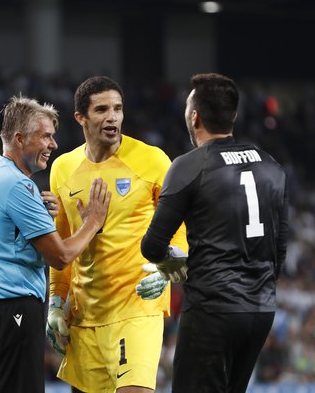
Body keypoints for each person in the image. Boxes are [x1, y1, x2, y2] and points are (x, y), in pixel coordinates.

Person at [141, 73, 289, 393]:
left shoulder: (189, 165)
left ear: (194, 117)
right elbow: (279, 253)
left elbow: (152, 245)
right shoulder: (272, 166)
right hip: (260, 310)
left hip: (213, 309)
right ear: (233, 116)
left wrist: (175, 266)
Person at [46, 76, 188, 393]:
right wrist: (56, 303)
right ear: (81, 117)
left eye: (118, 109)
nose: (112, 117)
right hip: (85, 317)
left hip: (137, 307)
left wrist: (169, 268)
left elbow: (178, 227)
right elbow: (61, 247)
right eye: (101, 110)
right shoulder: (62, 169)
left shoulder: (152, 160)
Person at [0, 96, 111, 392]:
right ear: (19, 139)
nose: (53, 145)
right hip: (12, 309)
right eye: (45, 136)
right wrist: (93, 222)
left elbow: (8, 240)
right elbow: (61, 256)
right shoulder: (19, 186)